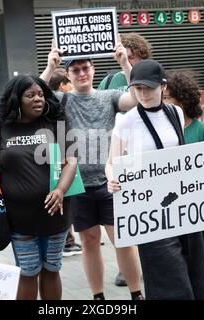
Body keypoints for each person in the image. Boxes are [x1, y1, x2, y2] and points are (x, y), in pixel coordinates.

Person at [106, 59, 204, 299]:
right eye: (138, 88)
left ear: (163, 87)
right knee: (169, 280)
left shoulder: (175, 112)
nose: (143, 94)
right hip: (150, 212)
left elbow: (182, 157)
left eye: (148, 88)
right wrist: (112, 180)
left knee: (195, 277)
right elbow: (112, 163)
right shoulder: (126, 121)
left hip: (183, 209)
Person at [40, 39, 144, 300]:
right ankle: (98, 296)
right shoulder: (62, 99)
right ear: (69, 74)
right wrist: (50, 67)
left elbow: (136, 98)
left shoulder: (108, 96)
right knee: (88, 241)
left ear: (93, 69)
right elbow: (35, 96)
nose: (82, 74)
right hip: (77, 185)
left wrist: (124, 63)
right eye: (75, 70)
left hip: (110, 182)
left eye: (85, 68)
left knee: (123, 239)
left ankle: (137, 294)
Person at [0, 75, 77, 300]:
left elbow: (71, 160)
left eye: (41, 95)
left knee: (52, 269)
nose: (38, 100)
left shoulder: (57, 122)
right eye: (30, 95)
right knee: (27, 272)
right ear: (17, 99)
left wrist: (60, 190)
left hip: (56, 214)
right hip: (18, 219)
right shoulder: (0, 126)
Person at [164, 70, 204, 296]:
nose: (164, 103)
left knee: (201, 267)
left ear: (181, 100)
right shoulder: (162, 131)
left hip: (199, 216)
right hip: (170, 214)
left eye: (168, 98)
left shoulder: (202, 130)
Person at [97, 32, 151, 286]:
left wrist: (126, 66)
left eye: (133, 57)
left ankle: (146, 259)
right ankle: (127, 266)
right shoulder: (109, 80)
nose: (128, 60)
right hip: (118, 152)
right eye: (124, 56)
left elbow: (142, 98)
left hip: (143, 150)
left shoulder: (149, 75)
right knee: (121, 212)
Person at [48, 69, 82, 257]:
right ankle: (67, 241)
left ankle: (66, 240)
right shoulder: (59, 99)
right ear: (62, 84)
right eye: (68, 81)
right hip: (61, 158)